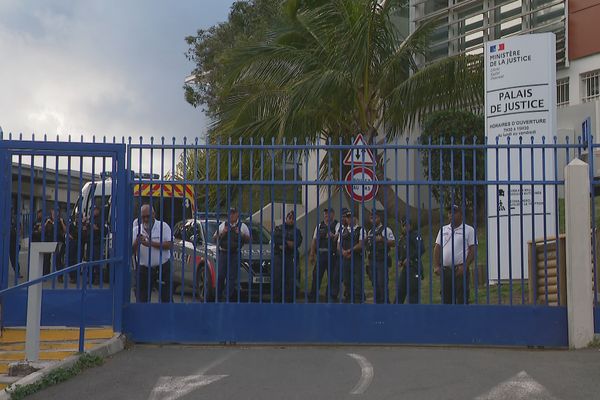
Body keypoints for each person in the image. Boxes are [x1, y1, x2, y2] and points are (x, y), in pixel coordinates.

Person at [433, 205, 477, 305]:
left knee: (461, 298)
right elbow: (437, 247)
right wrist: (436, 265)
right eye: (449, 213)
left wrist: (465, 265)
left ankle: (462, 319)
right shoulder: (443, 230)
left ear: (461, 215)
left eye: (454, 212)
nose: (451, 215)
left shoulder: (469, 230)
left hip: (460, 270)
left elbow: (473, 249)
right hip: (446, 271)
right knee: (446, 299)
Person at [132, 204, 173, 303]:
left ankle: (167, 317)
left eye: (148, 216)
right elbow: (130, 251)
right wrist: (137, 242)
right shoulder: (136, 230)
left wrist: (149, 243)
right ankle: (143, 318)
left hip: (162, 268)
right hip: (144, 270)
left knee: (166, 299)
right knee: (142, 299)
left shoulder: (163, 226)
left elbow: (169, 244)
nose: (146, 219)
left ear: (154, 214)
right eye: (143, 217)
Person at [213, 207, 250, 302]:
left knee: (231, 277)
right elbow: (214, 238)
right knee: (220, 276)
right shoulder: (223, 225)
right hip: (224, 253)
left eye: (234, 213)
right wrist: (222, 233)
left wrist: (241, 234)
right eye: (230, 213)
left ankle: (226, 298)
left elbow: (249, 239)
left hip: (235, 254)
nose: (232, 215)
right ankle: (218, 296)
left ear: (237, 214)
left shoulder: (243, 226)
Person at [308, 208, 341, 302]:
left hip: (332, 255)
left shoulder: (337, 225)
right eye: (325, 213)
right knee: (316, 276)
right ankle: (313, 298)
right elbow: (314, 240)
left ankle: (329, 298)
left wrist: (333, 236)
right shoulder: (319, 226)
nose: (326, 215)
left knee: (331, 277)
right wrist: (311, 254)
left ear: (333, 214)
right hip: (321, 254)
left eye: (328, 213)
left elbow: (338, 236)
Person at [272, 210, 303, 303]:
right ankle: (276, 301)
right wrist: (287, 242)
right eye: (289, 218)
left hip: (290, 257)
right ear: (286, 219)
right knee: (277, 280)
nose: (291, 220)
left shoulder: (297, 231)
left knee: (290, 280)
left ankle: (289, 301)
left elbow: (297, 243)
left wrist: (285, 242)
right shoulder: (279, 228)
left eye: (293, 218)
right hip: (279, 257)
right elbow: (276, 239)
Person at [366, 210, 395, 304]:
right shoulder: (370, 231)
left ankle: (385, 303)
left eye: (375, 217)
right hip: (372, 260)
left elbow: (393, 243)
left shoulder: (386, 230)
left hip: (381, 260)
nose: (373, 220)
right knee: (375, 284)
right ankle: (377, 303)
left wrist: (382, 239)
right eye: (371, 218)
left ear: (379, 218)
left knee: (381, 283)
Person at [337, 208, 365, 303]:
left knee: (357, 282)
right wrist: (343, 252)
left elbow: (361, 244)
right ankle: (348, 299)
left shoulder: (361, 230)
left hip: (356, 259)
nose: (349, 219)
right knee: (346, 281)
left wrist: (349, 250)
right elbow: (338, 245)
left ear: (355, 218)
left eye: (351, 217)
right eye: (348, 217)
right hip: (346, 259)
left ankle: (358, 301)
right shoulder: (343, 230)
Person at [396, 217, 424, 304]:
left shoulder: (415, 235)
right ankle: (395, 312)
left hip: (414, 267)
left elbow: (421, 249)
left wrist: (410, 258)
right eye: (403, 225)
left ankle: (414, 313)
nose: (405, 227)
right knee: (400, 291)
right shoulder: (402, 239)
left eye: (407, 225)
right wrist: (400, 260)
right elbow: (399, 251)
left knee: (413, 292)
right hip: (405, 269)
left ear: (411, 226)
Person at [9, 210, 21, 276]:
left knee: (14, 258)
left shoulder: (14, 219)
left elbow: (20, 228)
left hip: (13, 241)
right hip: (5, 240)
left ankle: (17, 272)